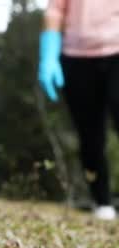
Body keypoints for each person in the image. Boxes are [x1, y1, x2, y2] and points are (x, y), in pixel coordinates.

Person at [39, 0, 119, 220]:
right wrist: (48, 53)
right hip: (76, 59)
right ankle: (102, 202)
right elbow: (55, 11)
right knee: (90, 137)